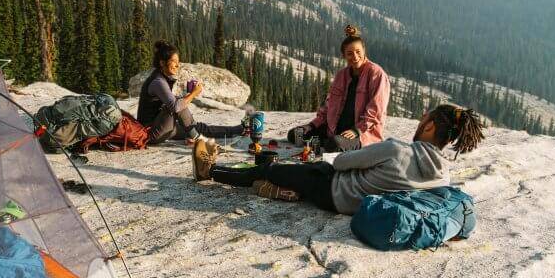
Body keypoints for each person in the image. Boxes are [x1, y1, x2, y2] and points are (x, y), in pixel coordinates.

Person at [194, 104, 485, 215]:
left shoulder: (398, 149)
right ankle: (282, 189)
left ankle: (211, 172)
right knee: (298, 171)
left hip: (334, 192)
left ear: (431, 127)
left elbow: (344, 163)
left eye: (426, 117)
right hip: (359, 202)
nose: (421, 120)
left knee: (272, 168)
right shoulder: (443, 174)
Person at [289, 25, 390, 153]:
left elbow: (376, 112)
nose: (355, 56)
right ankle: (323, 140)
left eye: (358, 52)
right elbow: (328, 105)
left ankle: (327, 142)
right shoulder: (341, 75)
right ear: (343, 56)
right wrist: (312, 125)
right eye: (350, 53)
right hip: (334, 129)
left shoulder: (377, 74)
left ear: (364, 51)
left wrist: (356, 130)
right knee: (294, 134)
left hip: (362, 133)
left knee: (334, 144)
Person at [137, 41, 245, 145]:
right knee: (179, 105)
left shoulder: (162, 78)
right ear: (162, 63)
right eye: (174, 61)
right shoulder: (158, 81)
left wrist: (187, 96)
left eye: (178, 61)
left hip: (160, 127)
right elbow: (175, 107)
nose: (177, 65)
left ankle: (237, 130)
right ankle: (197, 138)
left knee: (195, 128)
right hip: (151, 133)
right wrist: (193, 94)